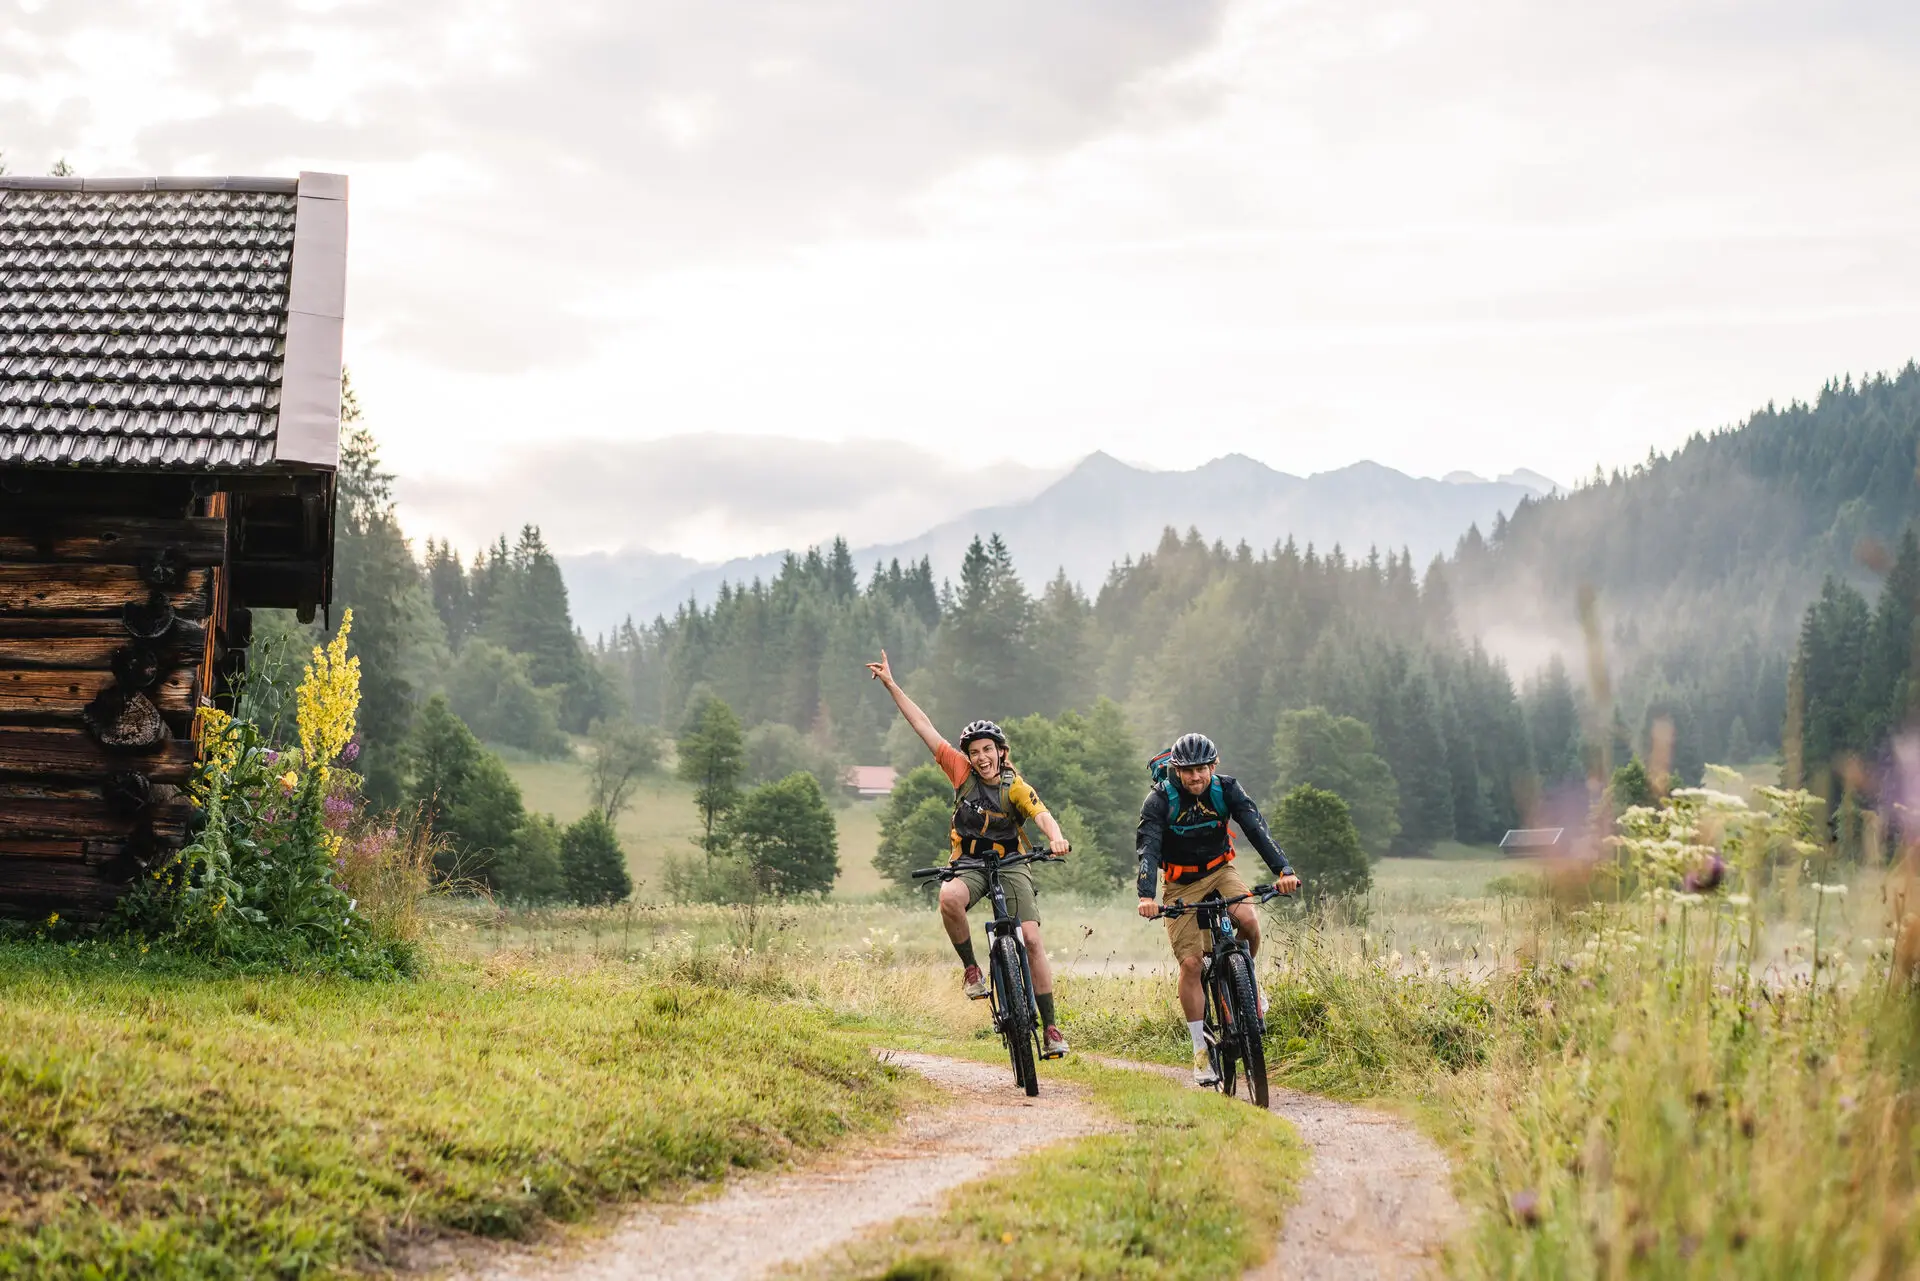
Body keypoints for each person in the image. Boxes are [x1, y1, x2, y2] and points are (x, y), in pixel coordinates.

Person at [867, 649, 1072, 1058]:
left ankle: (1050, 1028)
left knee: (1030, 937)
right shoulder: (960, 773)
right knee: (948, 898)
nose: (981, 758)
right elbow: (922, 725)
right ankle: (972, 970)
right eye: (974, 751)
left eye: (988, 750)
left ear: (1001, 751)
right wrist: (891, 684)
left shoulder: (1015, 785)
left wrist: (1056, 837)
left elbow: (1041, 812)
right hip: (970, 864)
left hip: (1012, 864)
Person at [1136, 731, 1300, 1086]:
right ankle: (1200, 1051)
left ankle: (1248, 985)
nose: (1196, 777)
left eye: (1202, 769)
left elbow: (1256, 828)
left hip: (1220, 870)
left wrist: (1283, 870)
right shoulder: (1159, 800)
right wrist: (1146, 896)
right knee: (1192, 963)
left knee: (1248, 921)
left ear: (1214, 765)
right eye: (1188, 771)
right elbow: (1148, 848)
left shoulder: (1227, 789)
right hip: (1179, 883)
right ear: (1176, 771)